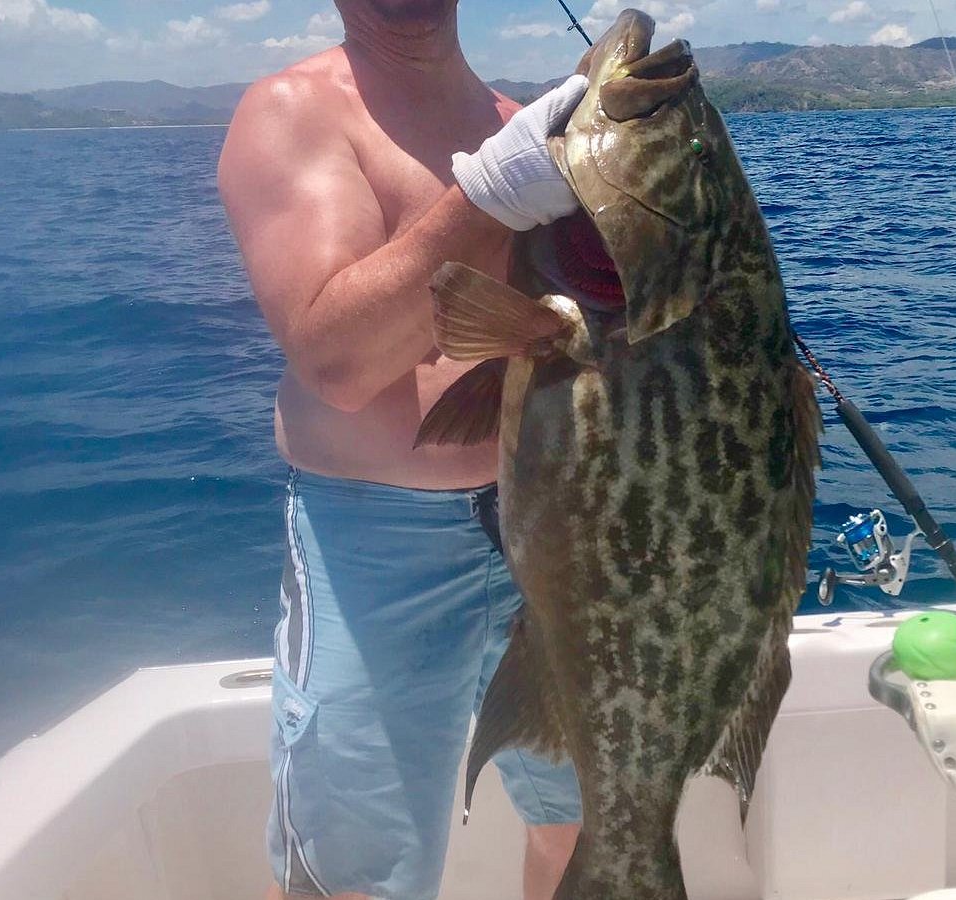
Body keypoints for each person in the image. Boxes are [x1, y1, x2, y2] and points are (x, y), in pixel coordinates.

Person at [216, 1, 588, 897]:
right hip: (375, 547)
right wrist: (491, 196)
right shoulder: (295, 110)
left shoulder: (520, 128)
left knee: (586, 821)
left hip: (551, 520)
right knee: (359, 876)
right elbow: (339, 362)